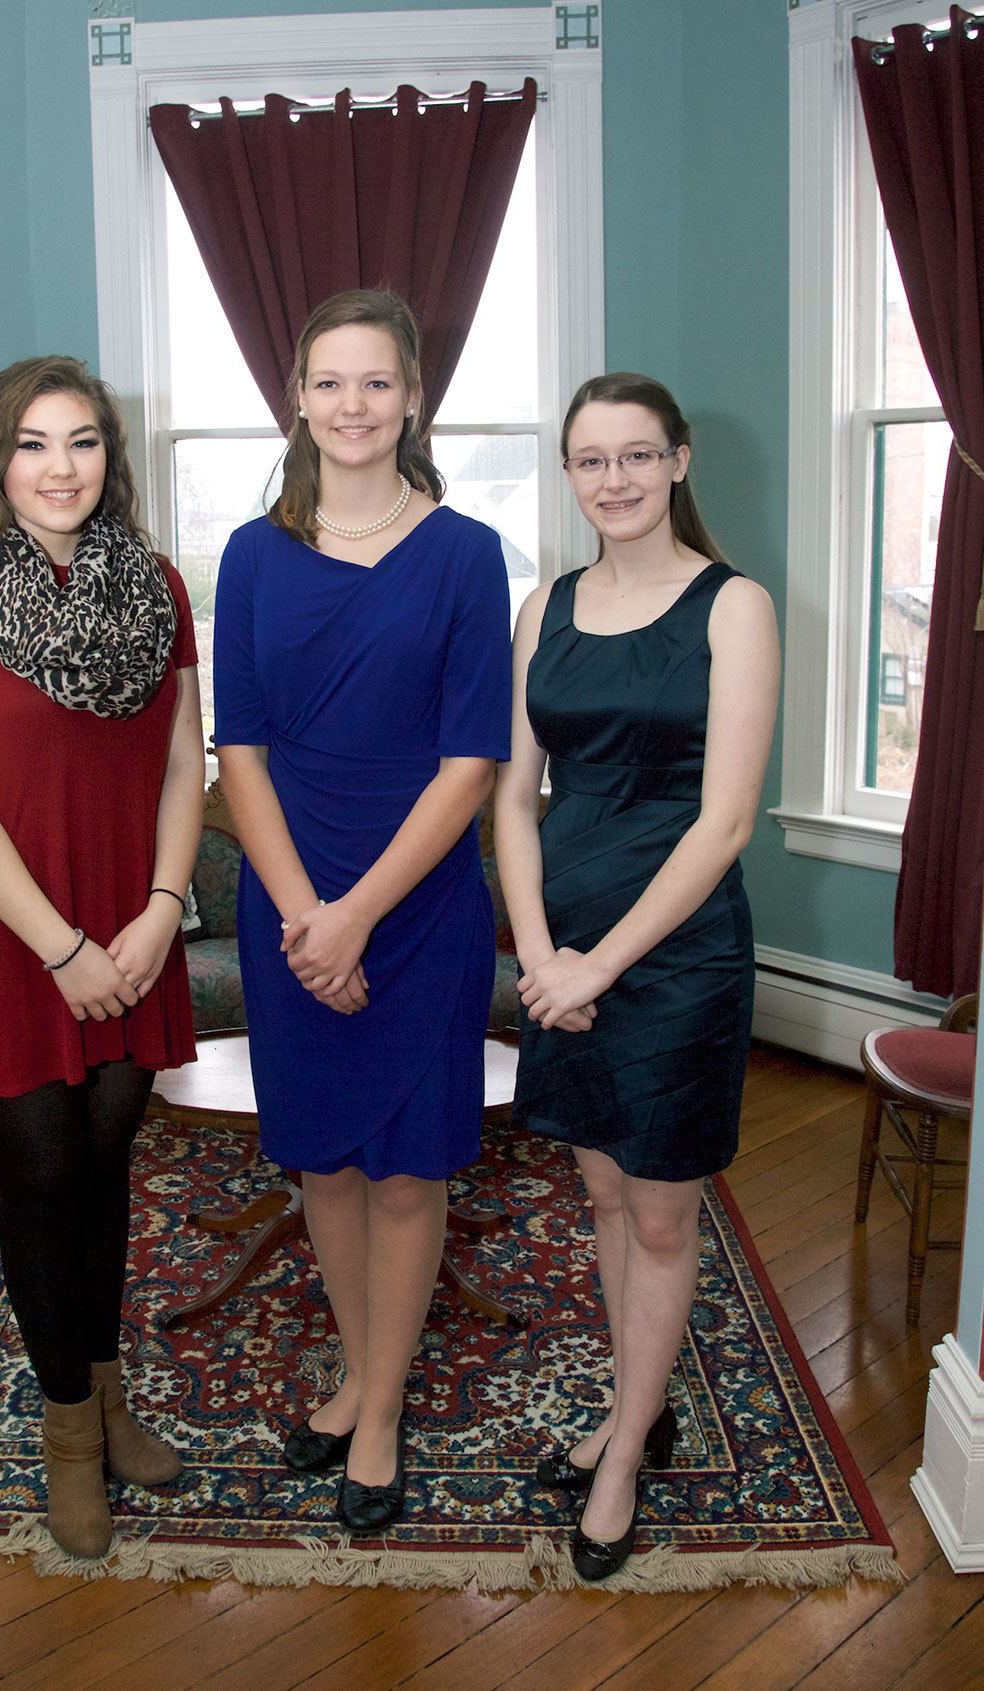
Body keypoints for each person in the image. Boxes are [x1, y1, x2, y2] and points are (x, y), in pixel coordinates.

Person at [212, 290, 511, 1533]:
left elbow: (470, 765)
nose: (352, 404)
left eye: (376, 381)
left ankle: (378, 1408)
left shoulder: (466, 553)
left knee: (403, 1173)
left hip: (419, 907)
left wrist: (354, 919)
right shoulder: (248, 553)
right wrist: (305, 917)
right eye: (328, 381)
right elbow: (237, 752)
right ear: (296, 397)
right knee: (324, 1165)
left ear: (413, 397)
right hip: (287, 902)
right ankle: (354, 1365)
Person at [0, 356, 203, 1560]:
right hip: (15, 936)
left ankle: (108, 1393)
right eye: (32, 443)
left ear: (108, 458)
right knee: (40, 1179)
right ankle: (68, 1431)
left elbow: (182, 764)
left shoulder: (158, 586)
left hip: (133, 930)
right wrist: (64, 947)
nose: (61, 466)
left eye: (82, 441)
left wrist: (163, 910)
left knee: (103, 1168)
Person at [494, 373, 779, 1581]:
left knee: (660, 1212)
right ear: (568, 473)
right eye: (589, 459)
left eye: (634, 454)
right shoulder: (544, 605)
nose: (611, 479)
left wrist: (596, 965)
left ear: (676, 460)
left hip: (675, 957)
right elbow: (512, 797)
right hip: (559, 948)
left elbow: (723, 823)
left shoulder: (734, 607)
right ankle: (636, 1403)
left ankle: (622, 1452)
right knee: (603, 1194)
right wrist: (535, 952)